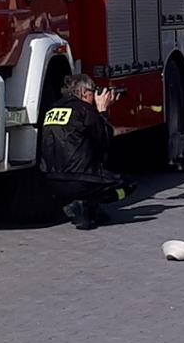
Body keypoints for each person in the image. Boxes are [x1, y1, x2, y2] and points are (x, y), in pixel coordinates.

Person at [40, 74, 130, 230]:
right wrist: (102, 111)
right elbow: (105, 140)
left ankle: (86, 210)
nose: (95, 95)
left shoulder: (52, 109)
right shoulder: (85, 110)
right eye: (93, 91)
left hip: (51, 180)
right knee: (128, 184)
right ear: (83, 92)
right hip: (80, 180)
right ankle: (88, 203)